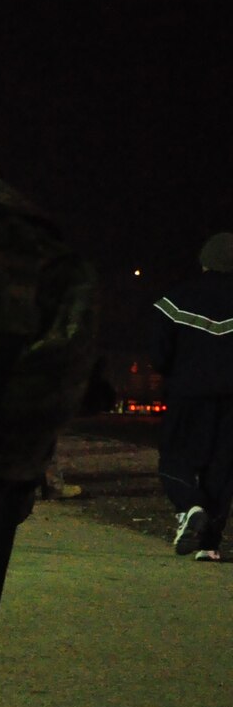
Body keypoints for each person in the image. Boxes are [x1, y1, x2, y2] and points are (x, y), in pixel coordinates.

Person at [151, 230, 233, 561]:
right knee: (223, 469)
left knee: (174, 458)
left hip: (188, 395)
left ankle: (189, 505)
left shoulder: (175, 300)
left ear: (204, 262)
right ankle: (209, 544)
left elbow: (160, 355)